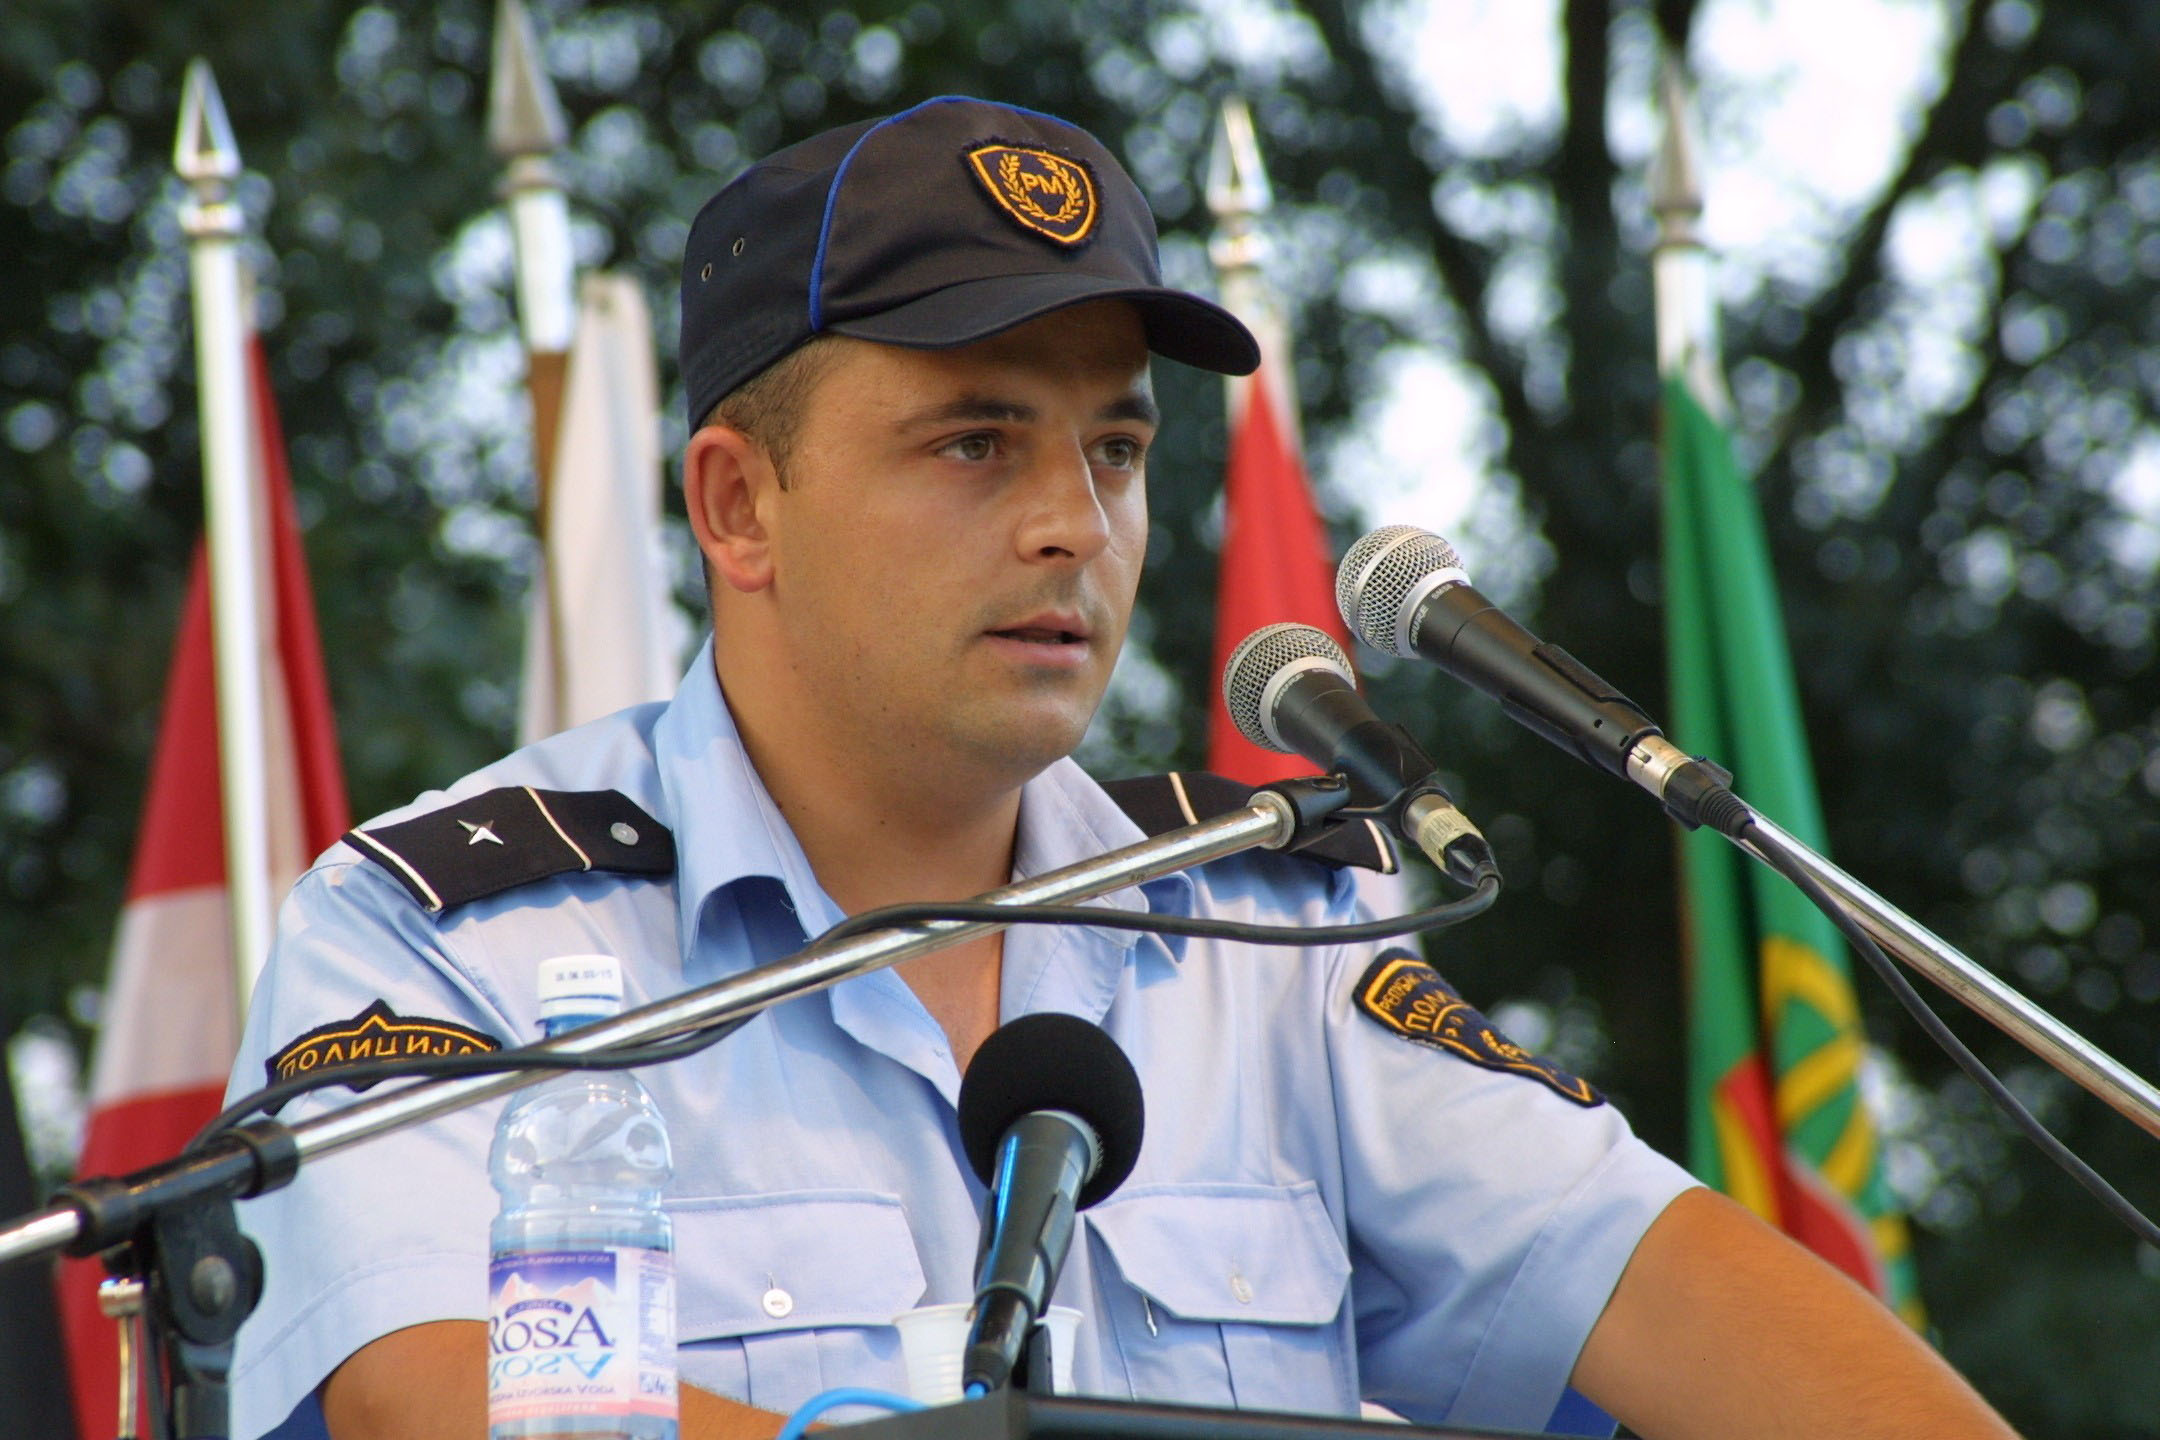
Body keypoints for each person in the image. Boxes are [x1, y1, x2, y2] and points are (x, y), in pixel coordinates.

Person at [224, 96, 2017, 1440]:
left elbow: (1677, 1292)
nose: (1074, 526)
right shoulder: (454, 934)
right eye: (976, 442)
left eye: (1117, 451)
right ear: (739, 505)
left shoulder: (1272, 938)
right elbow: (428, 1392)